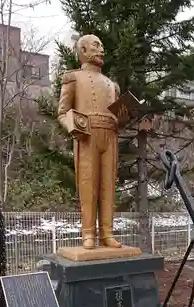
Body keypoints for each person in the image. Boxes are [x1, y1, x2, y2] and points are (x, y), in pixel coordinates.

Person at [58, 34, 121, 249]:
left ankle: (107, 232)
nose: (102, 49)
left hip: (110, 135)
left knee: (108, 186)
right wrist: (71, 127)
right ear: (83, 51)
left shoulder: (112, 85)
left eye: (102, 45)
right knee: (87, 184)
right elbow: (62, 112)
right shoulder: (73, 78)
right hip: (87, 135)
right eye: (96, 45)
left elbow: (119, 114)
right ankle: (88, 233)